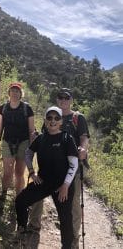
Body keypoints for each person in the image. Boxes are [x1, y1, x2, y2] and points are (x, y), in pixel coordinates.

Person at [28, 88, 90, 248]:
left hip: (71, 170)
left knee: (73, 207)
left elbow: (84, 138)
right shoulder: (50, 115)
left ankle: (72, 241)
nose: (63, 100)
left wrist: (83, 149)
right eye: (60, 97)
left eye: (66, 97)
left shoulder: (78, 118)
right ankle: (33, 228)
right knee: (37, 197)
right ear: (57, 100)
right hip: (48, 169)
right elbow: (43, 139)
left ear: (71, 100)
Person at [15, 106, 79, 249]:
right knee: (20, 201)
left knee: (65, 218)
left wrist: (65, 185)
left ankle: (67, 246)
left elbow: (74, 164)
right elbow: (28, 154)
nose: (53, 121)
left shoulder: (66, 138)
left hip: (62, 185)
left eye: (56, 118)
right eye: (49, 118)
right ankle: (21, 230)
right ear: (45, 120)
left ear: (61, 121)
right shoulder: (41, 138)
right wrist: (32, 172)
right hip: (43, 181)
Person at [0, 82, 35, 206]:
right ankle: (3, 194)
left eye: (17, 91)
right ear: (9, 93)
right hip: (7, 142)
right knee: (7, 172)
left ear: (20, 94)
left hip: (23, 143)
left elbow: (31, 130)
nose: (15, 93)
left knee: (19, 173)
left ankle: (19, 199)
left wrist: (32, 146)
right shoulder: (3, 107)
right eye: (12, 91)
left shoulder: (27, 108)